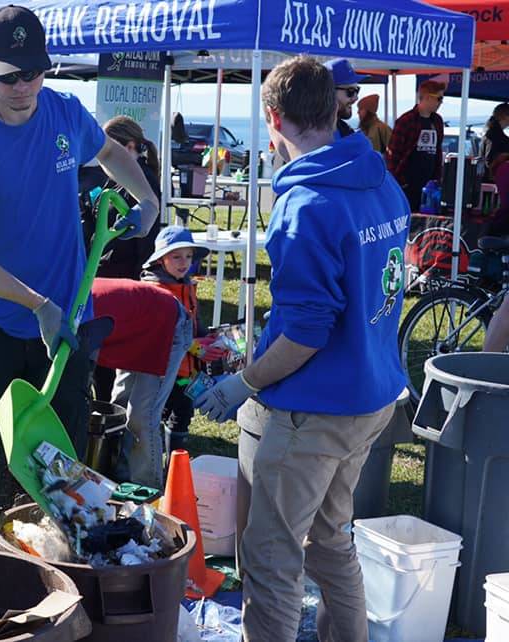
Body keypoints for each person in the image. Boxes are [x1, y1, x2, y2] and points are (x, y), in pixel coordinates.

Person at [194, 56, 410, 642]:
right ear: (336, 107)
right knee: (329, 538)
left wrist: (246, 382)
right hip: (372, 395)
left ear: (273, 119)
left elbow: (307, 334)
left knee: (270, 557)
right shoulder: (380, 178)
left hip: (316, 409)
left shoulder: (304, 207)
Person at [0, 5, 159, 506]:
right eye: (9, 75)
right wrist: (37, 303)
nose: (23, 86)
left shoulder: (63, 111)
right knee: (2, 473)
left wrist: (148, 197)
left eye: (34, 72)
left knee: (66, 477)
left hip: (68, 324)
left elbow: (110, 152)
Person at [90, 277, 194, 488]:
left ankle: (148, 490)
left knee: (141, 415)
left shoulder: (79, 313)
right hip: (136, 329)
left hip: (166, 326)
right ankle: (120, 478)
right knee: (119, 407)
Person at [139, 226, 219, 454]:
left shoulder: (187, 285)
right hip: (164, 372)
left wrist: (208, 337)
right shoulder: (155, 290)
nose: (184, 262)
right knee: (154, 417)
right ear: (160, 259)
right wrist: (194, 347)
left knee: (182, 415)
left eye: (189, 256)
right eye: (176, 256)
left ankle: (175, 466)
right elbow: (160, 335)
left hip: (188, 373)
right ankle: (153, 462)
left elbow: (194, 320)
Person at [79, 115, 162, 280]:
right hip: (103, 268)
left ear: (130, 146)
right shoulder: (114, 179)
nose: (103, 157)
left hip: (121, 274)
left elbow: (143, 240)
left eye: (109, 150)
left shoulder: (143, 183)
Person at [388, 79, 445, 212]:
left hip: (430, 187)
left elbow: (438, 151)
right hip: (408, 186)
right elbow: (393, 154)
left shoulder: (437, 121)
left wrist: (437, 179)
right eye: (439, 98)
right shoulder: (406, 120)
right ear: (426, 97)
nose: (441, 102)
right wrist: (400, 182)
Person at [324, 58, 365, 139]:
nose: (356, 97)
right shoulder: (303, 133)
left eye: (357, 90)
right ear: (329, 92)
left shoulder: (346, 131)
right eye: (350, 91)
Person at [481, 102, 509, 179]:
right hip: (494, 181)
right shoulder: (496, 136)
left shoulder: (490, 133)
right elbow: (490, 160)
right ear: (506, 116)